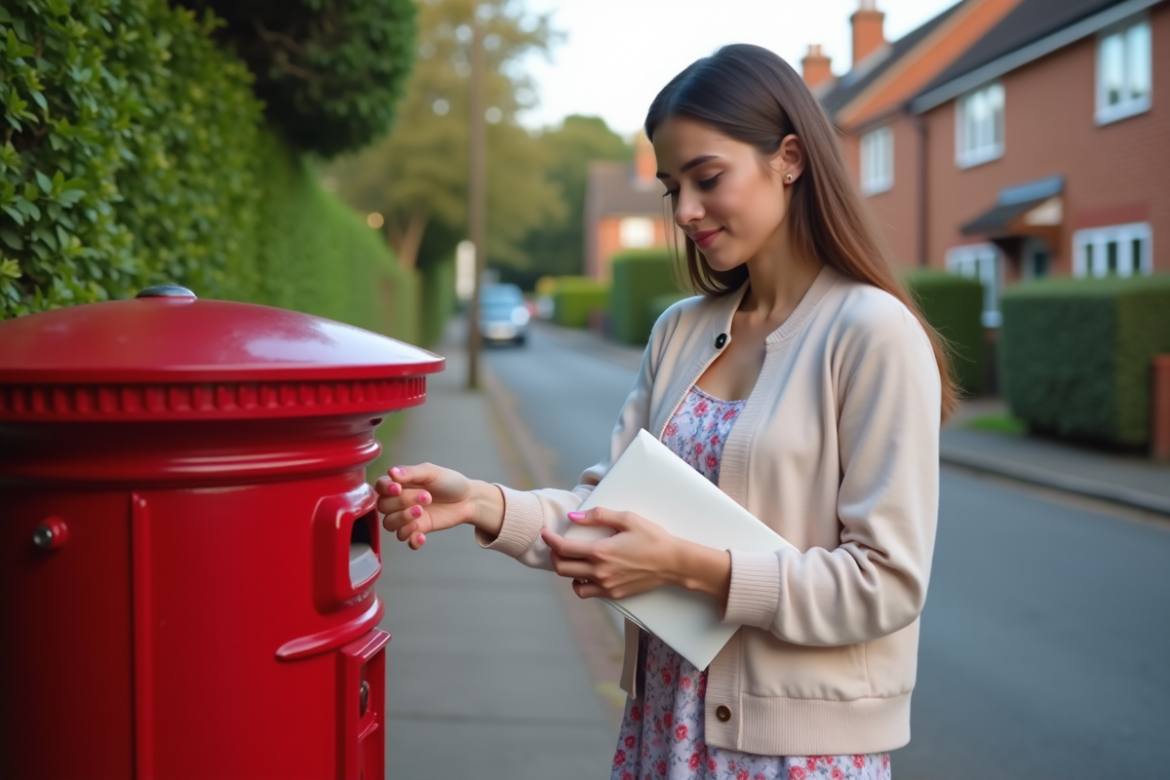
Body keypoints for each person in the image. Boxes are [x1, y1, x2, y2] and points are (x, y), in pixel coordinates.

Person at [376, 43, 953, 780]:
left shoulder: (872, 333)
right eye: (670, 188)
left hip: (798, 757)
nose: (685, 211)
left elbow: (887, 584)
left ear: (790, 159)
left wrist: (684, 566)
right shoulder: (681, 330)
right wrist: (486, 504)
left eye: (707, 179)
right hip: (662, 727)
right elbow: (605, 516)